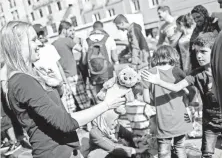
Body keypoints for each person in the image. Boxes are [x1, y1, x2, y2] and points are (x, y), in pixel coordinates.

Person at [0, 21, 127, 158]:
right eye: (33, 40)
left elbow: (49, 108)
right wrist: (107, 104)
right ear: (17, 45)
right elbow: (65, 122)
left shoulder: (28, 75)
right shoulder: (22, 81)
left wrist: (58, 85)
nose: (39, 44)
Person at [142, 32, 222, 158]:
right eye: (196, 52)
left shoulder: (219, 70)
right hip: (209, 122)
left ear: (215, 51)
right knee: (206, 154)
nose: (198, 56)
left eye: (203, 51)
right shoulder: (195, 74)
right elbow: (177, 87)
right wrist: (158, 82)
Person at [142, 45, 193, 158]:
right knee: (180, 147)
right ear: (174, 56)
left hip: (163, 119)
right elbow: (188, 91)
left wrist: (156, 101)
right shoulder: (177, 71)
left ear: (155, 57)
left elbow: (146, 99)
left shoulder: (149, 73)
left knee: (164, 150)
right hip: (180, 117)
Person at [53, 21, 91, 111]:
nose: (71, 33)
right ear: (64, 31)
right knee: (84, 102)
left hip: (63, 78)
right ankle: (90, 124)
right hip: (74, 74)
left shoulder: (53, 44)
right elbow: (82, 50)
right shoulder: (67, 40)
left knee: (70, 106)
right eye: (69, 30)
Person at [190, 5, 220, 70]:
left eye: (198, 17)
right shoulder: (196, 30)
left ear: (204, 14)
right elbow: (192, 49)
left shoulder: (215, 23)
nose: (196, 20)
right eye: (194, 18)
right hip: (202, 62)